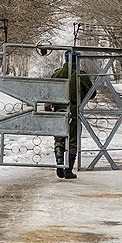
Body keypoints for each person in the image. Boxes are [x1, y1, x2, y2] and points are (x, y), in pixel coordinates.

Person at [50, 51, 95, 180]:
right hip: (75, 112)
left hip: (59, 111)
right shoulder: (82, 76)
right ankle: (68, 170)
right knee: (73, 141)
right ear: (78, 60)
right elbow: (92, 94)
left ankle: (59, 162)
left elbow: (48, 91)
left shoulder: (57, 74)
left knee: (59, 139)